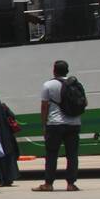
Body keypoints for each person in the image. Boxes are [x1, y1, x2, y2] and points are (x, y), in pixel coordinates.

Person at [33, 59, 82, 191]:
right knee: (72, 155)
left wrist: (43, 125)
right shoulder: (76, 84)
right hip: (74, 124)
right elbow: (85, 102)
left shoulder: (48, 85)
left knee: (51, 154)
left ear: (54, 71)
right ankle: (71, 184)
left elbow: (44, 107)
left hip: (55, 124)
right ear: (67, 71)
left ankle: (48, 184)